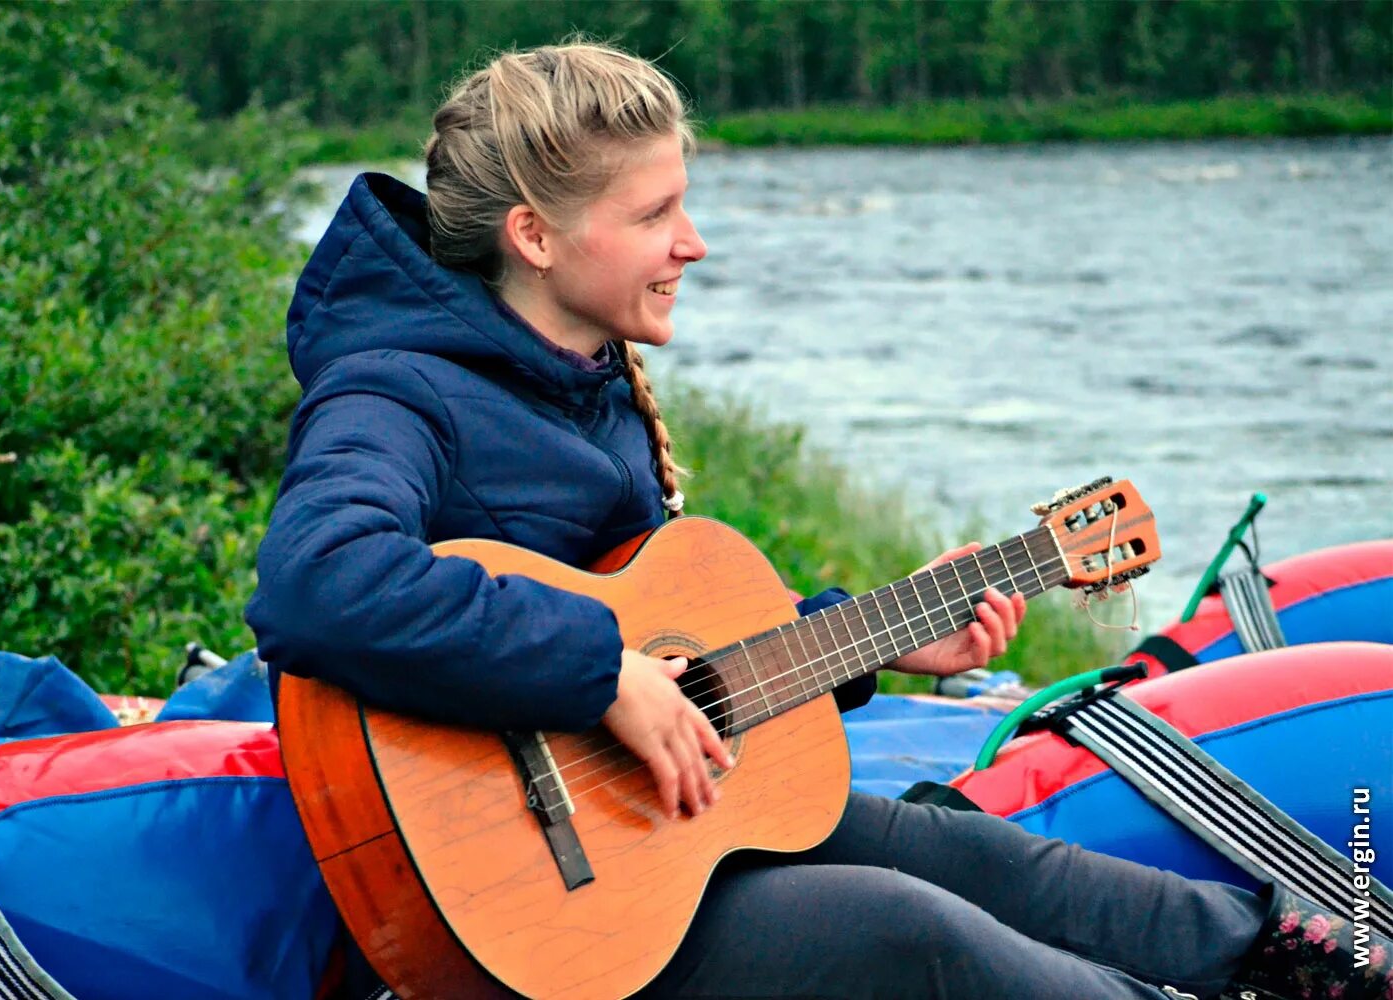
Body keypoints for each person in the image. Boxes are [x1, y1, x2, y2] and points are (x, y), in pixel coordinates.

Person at [246, 41, 1389, 1000]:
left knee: (963, 850)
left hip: (657, 833)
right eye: (655, 213)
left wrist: (882, 637)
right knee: (914, 935)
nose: (691, 242)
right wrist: (601, 673)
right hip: (534, 910)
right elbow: (317, 579)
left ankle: (1315, 958)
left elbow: (678, 653)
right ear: (538, 238)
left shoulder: (584, 375)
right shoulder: (397, 386)